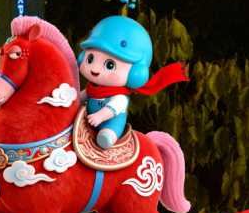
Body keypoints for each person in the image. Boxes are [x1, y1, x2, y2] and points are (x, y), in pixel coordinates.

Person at [78, 14, 188, 149]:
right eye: (90, 59)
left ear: (135, 73)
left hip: (110, 122)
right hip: (87, 119)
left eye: (110, 65)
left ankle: (109, 136)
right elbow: (82, 96)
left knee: (109, 132)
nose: (95, 69)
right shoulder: (92, 88)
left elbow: (112, 108)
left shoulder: (119, 97)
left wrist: (100, 116)